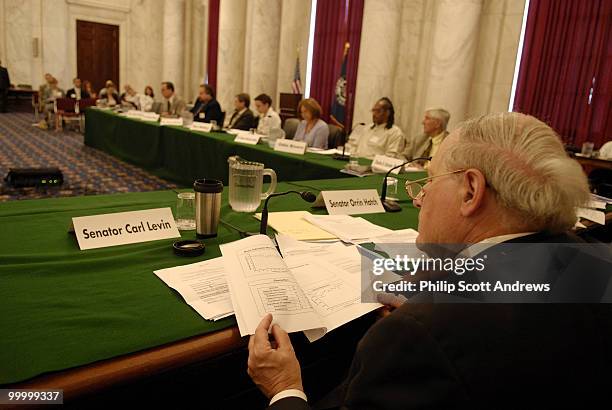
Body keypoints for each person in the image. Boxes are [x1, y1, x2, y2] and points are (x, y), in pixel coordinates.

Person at [247, 112, 612, 409]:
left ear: (471, 190)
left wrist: (285, 387)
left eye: (430, 179)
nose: (419, 198)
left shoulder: (417, 334)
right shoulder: (596, 265)